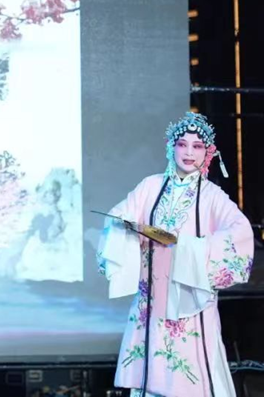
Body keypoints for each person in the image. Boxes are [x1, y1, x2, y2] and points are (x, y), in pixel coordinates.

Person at [97, 112, 254, 397]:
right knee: (149, 366)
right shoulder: (150, 186)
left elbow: (240, 232)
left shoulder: (211, 196)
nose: (189, 152)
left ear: (207, 152)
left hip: (188, 295)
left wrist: (193, 247)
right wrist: (127, 227)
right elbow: (119, 216)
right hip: (152, 296)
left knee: (192, 367)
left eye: (197, 146)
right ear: (171, 147)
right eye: (182, 144)